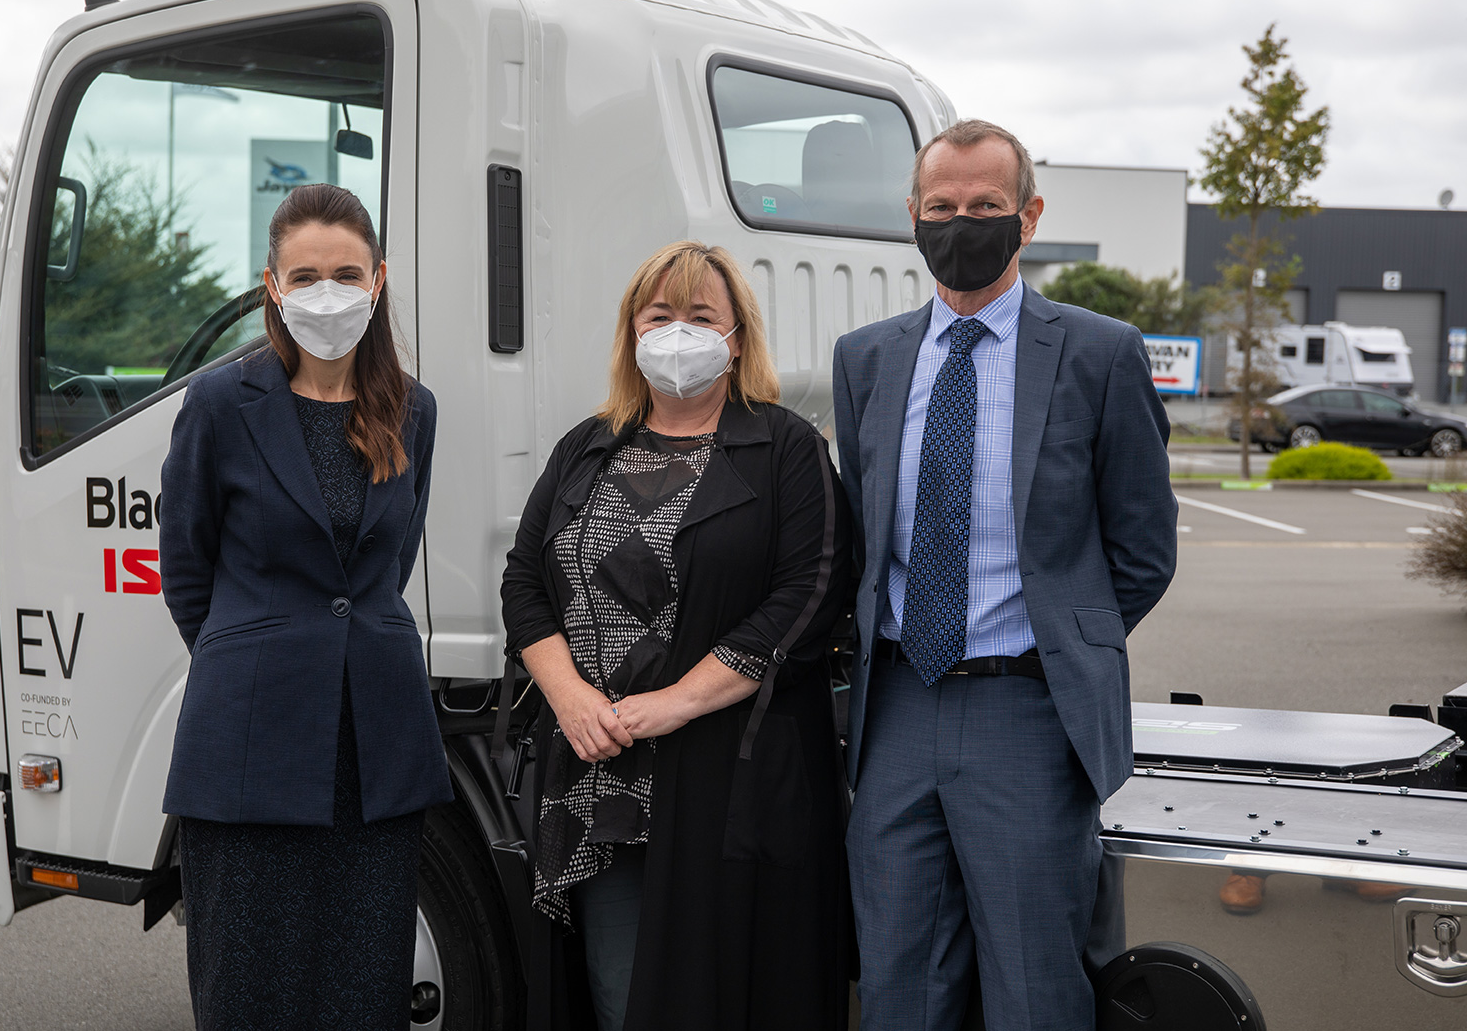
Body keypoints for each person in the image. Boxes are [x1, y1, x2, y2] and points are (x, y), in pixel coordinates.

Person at [832, 120, 1179, 1030]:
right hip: (897, 708)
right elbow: (861, 534)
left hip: (1029, 712)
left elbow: (1143, 548)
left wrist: (1065, 638)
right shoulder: (865, 358)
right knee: (898, 981)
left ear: (1027, 217)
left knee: (1035, 988)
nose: (962, 223)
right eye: (942, 207)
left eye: (985, 206)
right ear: (912, 216)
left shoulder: (1101, 353)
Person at [501, 241, 853, 1031]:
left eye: (701, 316)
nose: (678, 332)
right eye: (660, 315)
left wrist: (673, 704)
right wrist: (570, 697)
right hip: (601, 779)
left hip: (733, 779)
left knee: (730, 994)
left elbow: (810, 594)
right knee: (623, 997)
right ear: (632, 332)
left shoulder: (787, 448)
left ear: (736, 338)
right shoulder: (587, 447)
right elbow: (524, 583)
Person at [159, 183, 451, 1029]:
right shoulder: (220, 402)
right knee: (250, 994)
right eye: (309, 273)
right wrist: (259, 655)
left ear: (380, 279)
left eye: (348, 272)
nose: (330, 291)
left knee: (363, 993)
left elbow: (389, 563)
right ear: (274, 285)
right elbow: (188, 571)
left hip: (375, 748)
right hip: (251, 749)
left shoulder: (415, 409)